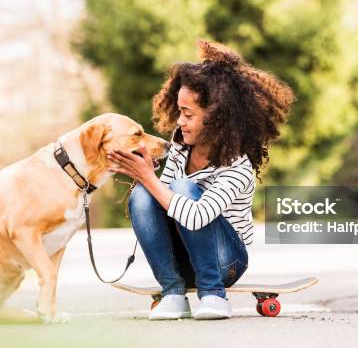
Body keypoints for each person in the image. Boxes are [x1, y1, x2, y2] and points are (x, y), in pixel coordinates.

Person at [107, 40, 294, 320]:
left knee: (180, 187)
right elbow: (162, 199)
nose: (179, 122)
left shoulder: (238, 167)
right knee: (143, 196)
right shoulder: (181, 146)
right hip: (184, 258)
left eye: (188, 114)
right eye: (179, 112)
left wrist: (148, 178)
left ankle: (214, 295)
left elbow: (196, 216)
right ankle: (172, 293)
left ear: (217, 118)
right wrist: (142, 175)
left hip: (226, 262)